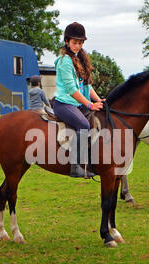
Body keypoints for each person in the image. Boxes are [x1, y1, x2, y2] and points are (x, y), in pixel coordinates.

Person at [53, 22, 103, 178]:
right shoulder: (64, 61)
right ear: (67, 42)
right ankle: (75, 166)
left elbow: (87, 86)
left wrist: (99, 100)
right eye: (74, 42)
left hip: (78, 103)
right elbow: (72, 90)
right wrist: (89, 104)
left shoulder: (79, 59)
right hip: (64, 104)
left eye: (80, 43)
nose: (77, 46)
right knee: (83, 124)